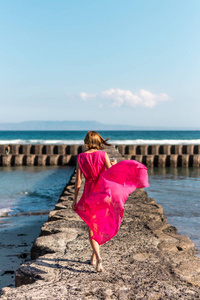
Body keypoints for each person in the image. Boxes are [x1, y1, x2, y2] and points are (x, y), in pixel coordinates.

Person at [72, 131, 149, 272]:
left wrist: (75, 200)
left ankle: (98, 257)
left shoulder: (81, 157)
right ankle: (94, 257)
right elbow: (111, 173)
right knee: (99, 225)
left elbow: (78, 182)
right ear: (98, 141)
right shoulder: (103, 155)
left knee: (92, 227)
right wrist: (114, 164)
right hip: (103, 194)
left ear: (86, 142)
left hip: (90, 195)